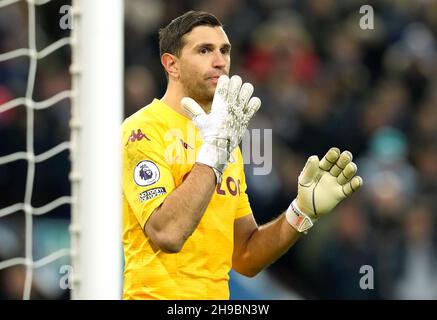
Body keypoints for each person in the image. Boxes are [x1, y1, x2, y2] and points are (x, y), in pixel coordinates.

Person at [121, 10, 363, 300]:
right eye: (204, 50)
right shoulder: (143, 130)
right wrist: (214, 153)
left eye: (225, 51)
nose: (220, 61)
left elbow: (245, 256)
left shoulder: (225, 141)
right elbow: (167, 234)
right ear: (171, 64)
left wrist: (300, 212)